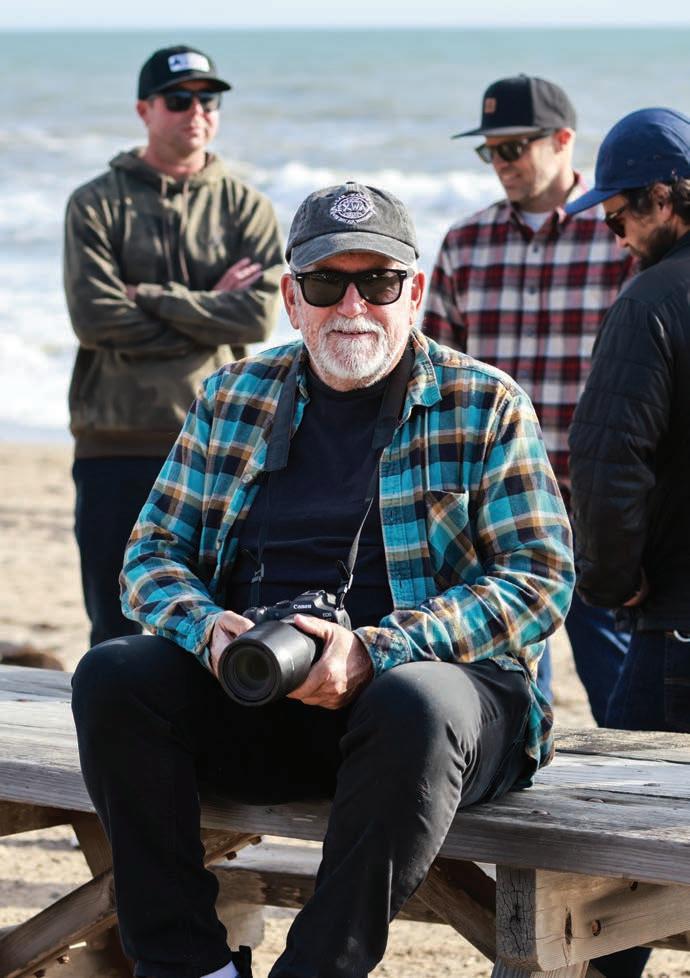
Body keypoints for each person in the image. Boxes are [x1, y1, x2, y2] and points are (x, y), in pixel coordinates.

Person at [71, 181, 574, 978]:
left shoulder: (485, 404)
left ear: (415, 291)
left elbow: (539, 579)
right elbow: (150, 555)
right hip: (261, 697)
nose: (352, 305)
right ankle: (188, 967)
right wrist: (210, 631)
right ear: (290, 298)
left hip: (434, 720)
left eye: (378, 281)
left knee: (413, 699)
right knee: (112, 675)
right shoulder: (233, 394)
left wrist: (376, 650)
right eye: (325, 283)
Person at [422, 73, 634, 721]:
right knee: (510, 696)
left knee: (622, 691)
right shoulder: (464, 244)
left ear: (563, 140)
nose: (500, 163)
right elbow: (433, 380)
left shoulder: (620, 235)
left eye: (513, 147)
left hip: (594, 503)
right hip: (495, 507)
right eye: (489, 150)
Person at [64, 44, 283, 647]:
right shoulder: (95, 203)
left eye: (208, 100)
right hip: (116, 441)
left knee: (222, 621)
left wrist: (151, 296)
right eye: (179, 99)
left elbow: (257, 316)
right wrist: (211, 307)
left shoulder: (248, 207)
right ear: (145, 109)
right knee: (113, 625)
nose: (197, 111)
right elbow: (97, 319)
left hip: (221, 444)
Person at [566, 105, 690, 978]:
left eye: (619, 218)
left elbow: (608, 461)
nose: (615, 238)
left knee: (614, 857)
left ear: (664, 198)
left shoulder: (651, 301)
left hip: (677, 620)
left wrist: (609, 580)